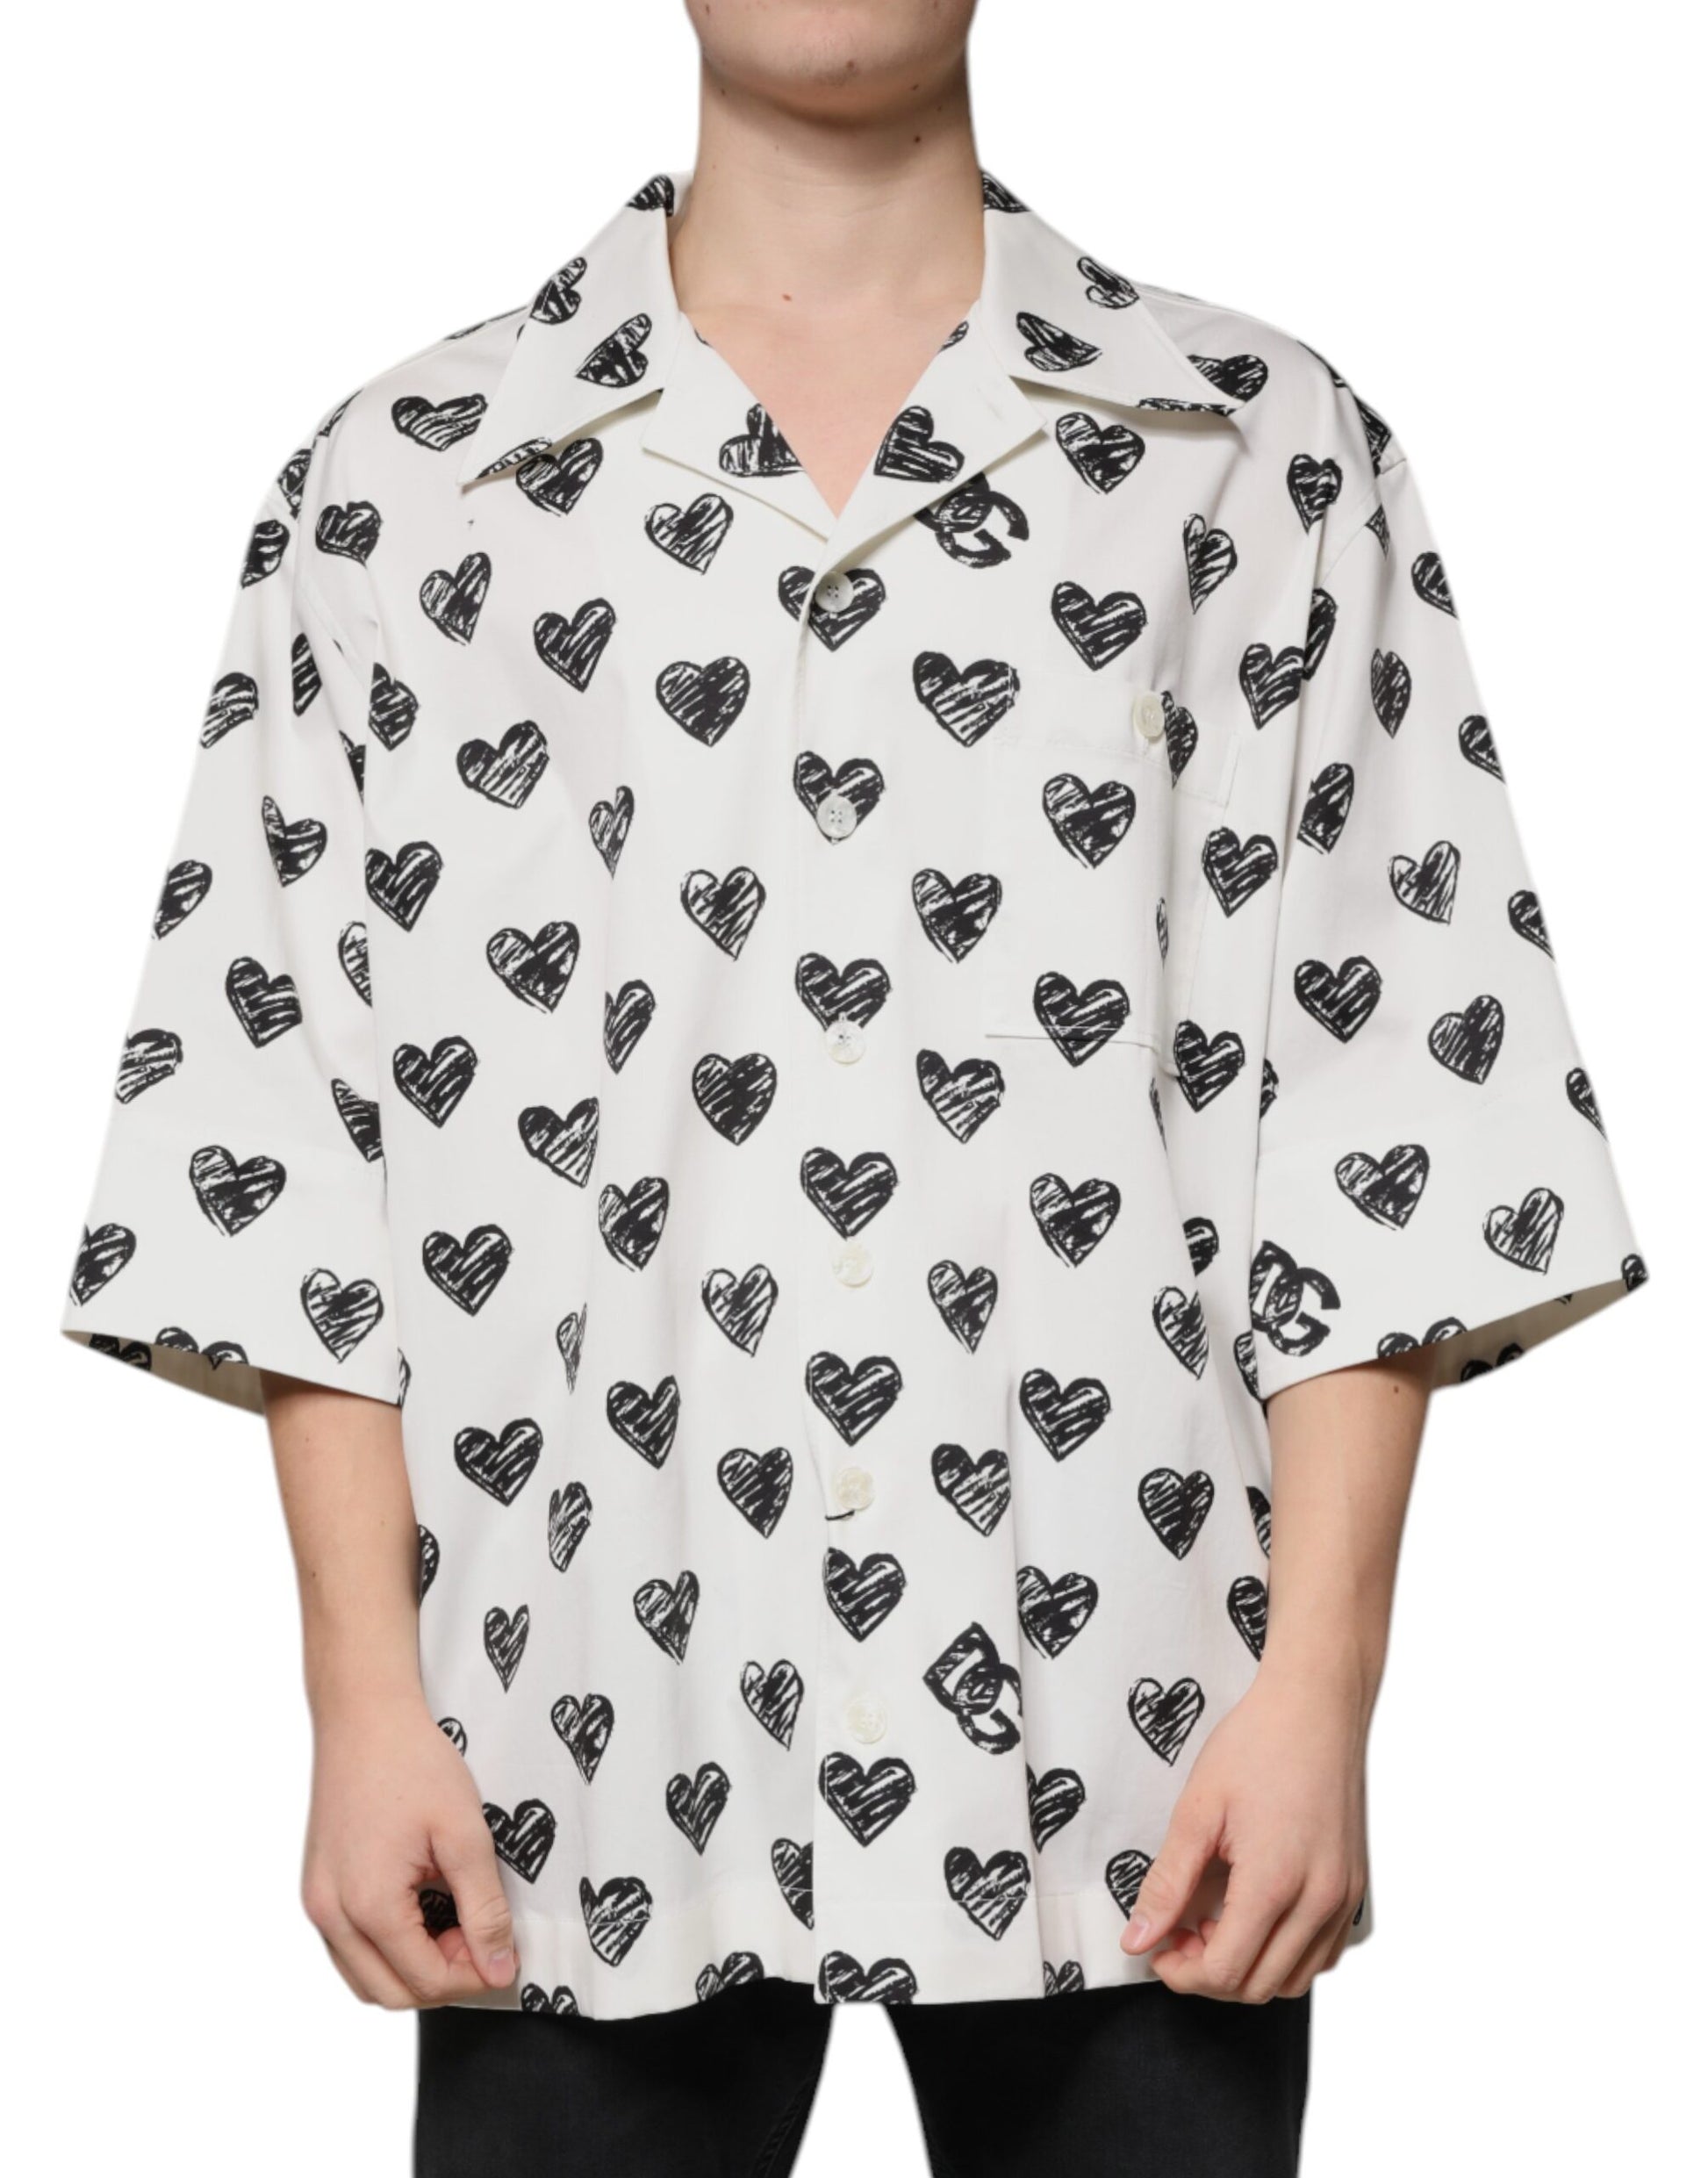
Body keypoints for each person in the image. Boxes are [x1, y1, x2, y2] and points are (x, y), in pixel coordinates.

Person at [58, 3, 1651, 2172]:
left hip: (1148, 1738)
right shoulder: (407, 481)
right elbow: (292, 1128)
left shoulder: (1255, 451)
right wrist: (359, 1699)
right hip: (578, 1728)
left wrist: (1318, 1693)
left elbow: (1376, 1102)